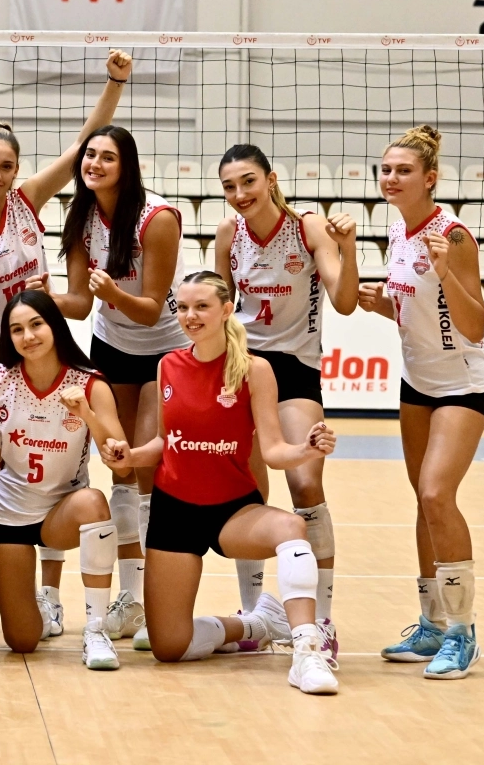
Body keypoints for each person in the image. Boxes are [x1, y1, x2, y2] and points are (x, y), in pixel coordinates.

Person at [106, 271, 341, 695]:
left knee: (292, 528)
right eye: (182, 307)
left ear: (226, 310)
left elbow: (273, 450)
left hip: (233, 510)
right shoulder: (168, 365)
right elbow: (163, 441)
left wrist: (306, 449)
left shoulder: (255, 369)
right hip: (174, 513)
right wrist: (131, 455)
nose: (190, 316)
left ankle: (308, 652)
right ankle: (255, 624)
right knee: (168, 647)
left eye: (202, 306)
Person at [357, 125, 484, 680]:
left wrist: (444, 274)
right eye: (386, 170)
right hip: (417, 381)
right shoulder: (397, 228)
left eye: (404, 171)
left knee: (438, 493)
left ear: (430, 179)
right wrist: (381, 305)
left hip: (463, 383)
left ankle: (463, 632)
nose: (391, 178)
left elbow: (475, 324)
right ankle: (433, 623)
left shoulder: (452, 236)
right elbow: (411, 309)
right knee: (423, 500)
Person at [213, 145, 359, 656]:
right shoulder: (228, 235)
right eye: (229, 186)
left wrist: (349, 249)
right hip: (243, 365)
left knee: (305, 483)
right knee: (245, 489)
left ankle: (321, 620)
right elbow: (221, 311)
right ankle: (255, 614)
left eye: (248, 181)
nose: (239, 194)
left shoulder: (308, 227)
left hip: (296, 368)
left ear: (271, 180)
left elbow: (344, 302)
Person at [0, 51, 133, 387]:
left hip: (43, 338)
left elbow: (82, 145)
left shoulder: (26, 199)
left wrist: (115, 82)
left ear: (16, 171)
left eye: (6, 167)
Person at [54, 124, 187, 649]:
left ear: (126, 166)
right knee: (120, 466)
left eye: (107, 157)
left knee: (148, 469)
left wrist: (111, 291)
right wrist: (37, 294)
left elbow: (151, 307)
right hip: (111, 345)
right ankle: (131, 599)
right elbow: (79, 304)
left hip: (164, 347)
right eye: (90, 155)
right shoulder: (81, 216)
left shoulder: (158, 218)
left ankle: (156, 601)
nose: (95, 164)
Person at [0, 290, 131, 668]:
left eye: (36, 324)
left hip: (62, 514)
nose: (28, 336)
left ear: (55, 326)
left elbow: (123, 467)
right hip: (8, 515)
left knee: (94, 502)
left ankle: (95, 629)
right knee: (22, 640)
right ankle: (44, 610)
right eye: (17, 329)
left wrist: (87, 413)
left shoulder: (91, 384)